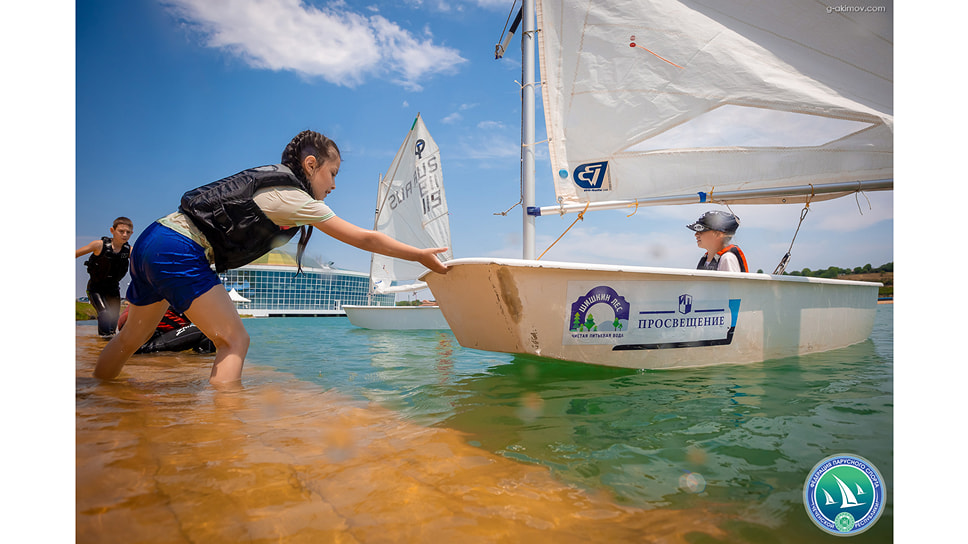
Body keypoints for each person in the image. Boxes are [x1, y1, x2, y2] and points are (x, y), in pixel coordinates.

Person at [94, 130, 450, 384]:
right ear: (311, 165)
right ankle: (222, 437)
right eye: (332, 174)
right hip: (180, 248)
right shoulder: (294, 197)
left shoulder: (273, 185)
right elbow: (364, 237)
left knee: (130, 339)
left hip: (153, 238)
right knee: (235, 341)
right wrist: (419, 254)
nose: (334, 186)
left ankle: (98, 398)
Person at [76, 217, 134, 337]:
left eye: (128, 232)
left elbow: (145, 262)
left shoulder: (129, 251)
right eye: (121, 231)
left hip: (113, 289)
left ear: (131, 233)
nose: (125, 234)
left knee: (113, 319)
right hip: (95, 288)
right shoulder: (99, 245)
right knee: (104, 313)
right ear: (112, 230)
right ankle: (103, 344)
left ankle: (102, 348)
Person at [118, 307, 215, 354]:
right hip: (143, 342)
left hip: (129, 339)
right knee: (206, 333)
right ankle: (202, 361)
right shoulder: (180, 298)